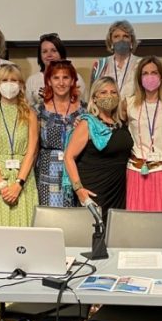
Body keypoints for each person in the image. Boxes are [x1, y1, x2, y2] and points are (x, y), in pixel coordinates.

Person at [0, 64, 39, 226]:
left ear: (21, 85)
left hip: (23, 179)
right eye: (5, 80)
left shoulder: (30, 114)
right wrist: (2, 185)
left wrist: (18, 184)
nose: (9, 84)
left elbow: (31, 152)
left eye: (14, 80)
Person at [64, 77, 134, 220]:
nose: (109, 96)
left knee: (114, 231)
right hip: (95, 191)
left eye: (113, 92)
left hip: (118, 192)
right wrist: (79, 189)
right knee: (93, 231)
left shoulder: (121, 124)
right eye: (103, 92)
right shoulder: (87, 123)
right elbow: (68, 157)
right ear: (94, 98)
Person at [124, 56, 162, 211]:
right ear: (139, 78)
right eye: (145, 73)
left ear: (161, 77)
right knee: (137, 222)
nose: (149, 77)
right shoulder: (129, 104)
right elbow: (113, 127)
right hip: (136, 171)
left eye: (154, 73)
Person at [35, 60, 86, 207]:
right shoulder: (39, 110)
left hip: (77, 169)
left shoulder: (84, 110)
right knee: (50, 216)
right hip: (47, 170)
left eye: (66, 77)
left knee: (75, 217)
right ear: (49, 81)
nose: (61, 83)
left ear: (73, 81)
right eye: (56, 78)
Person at [25, 33, 87, 107]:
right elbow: (27, 107)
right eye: (45, 51)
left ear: (61, 53)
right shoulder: (32, 80)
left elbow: (83, 104)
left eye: (54, 51)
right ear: (40, 56)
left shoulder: (76, 77)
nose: (49, 55)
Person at [89, 20, 139, 99]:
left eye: (125, 36)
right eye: (116, 36)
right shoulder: (100, 65)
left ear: (131, 41)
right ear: (111, 41)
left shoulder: (141, 64)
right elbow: (92, 95)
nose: (121, 39)